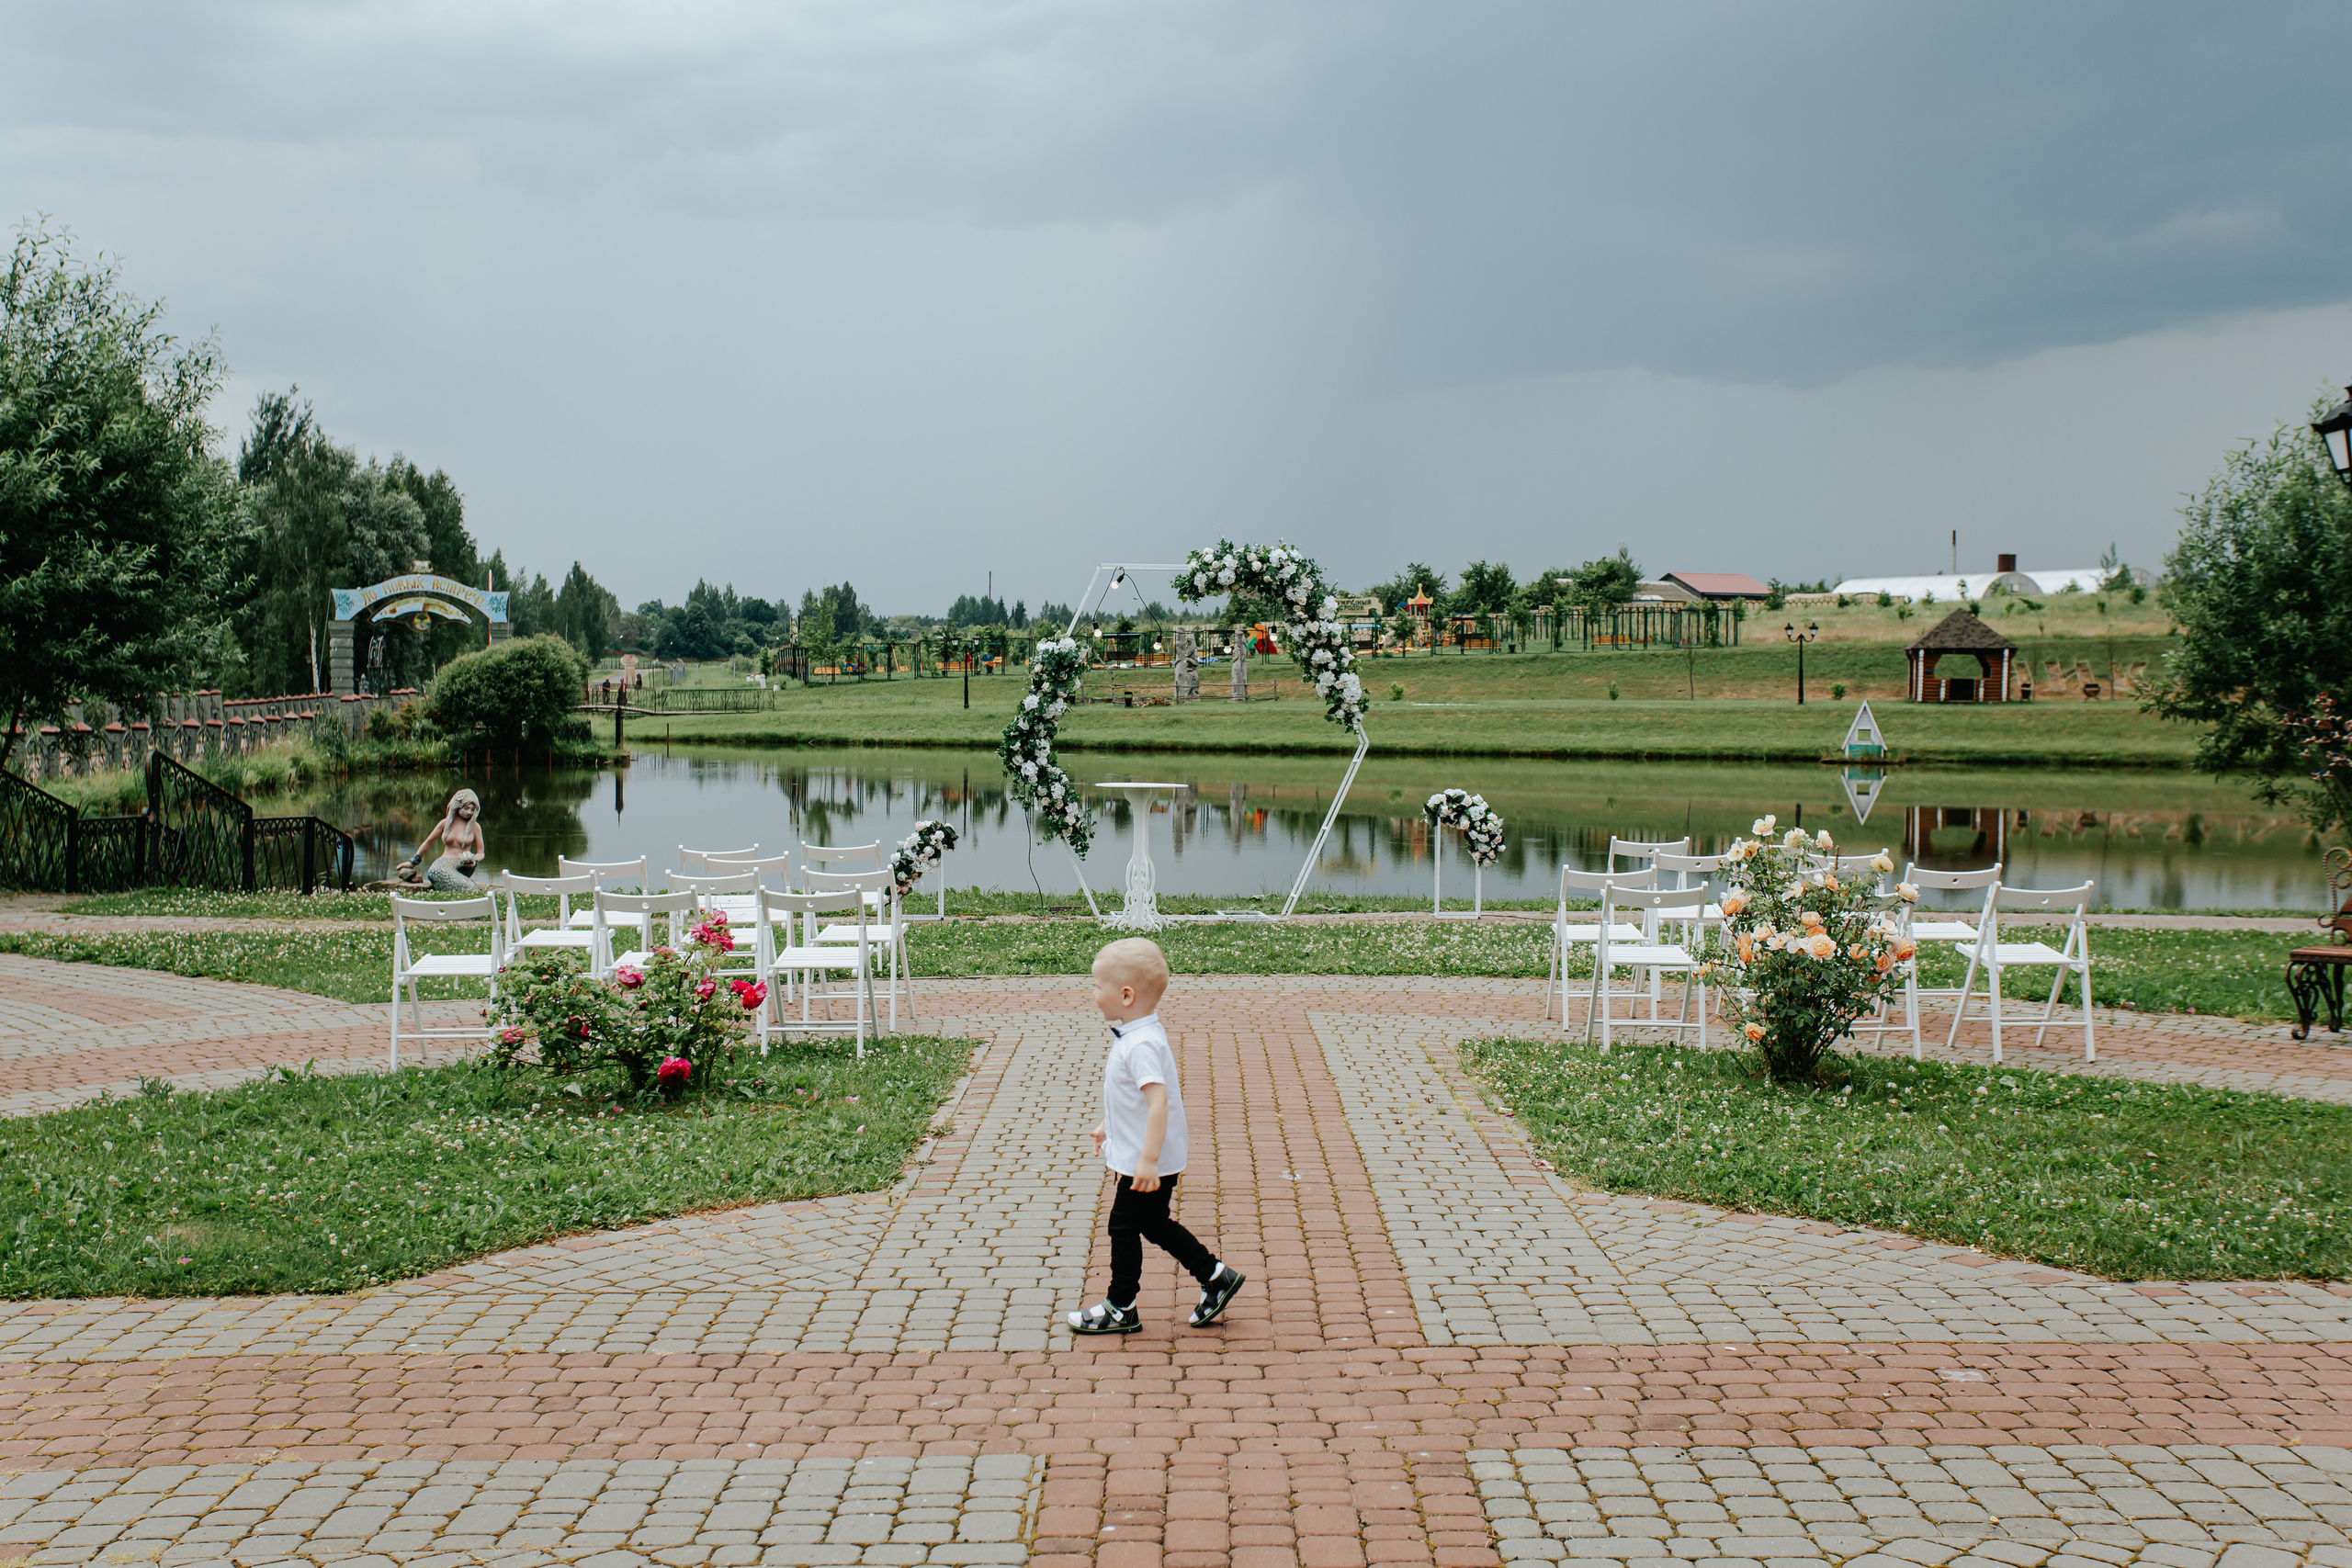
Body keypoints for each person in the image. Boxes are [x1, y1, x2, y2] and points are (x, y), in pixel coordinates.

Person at [1063, 937, 1245, 1336]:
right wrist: (1108, 1124)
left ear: (1126, 995)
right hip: (1147, 1154)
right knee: (1152, 1224)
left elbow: (1157, 1103)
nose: (1094, 994)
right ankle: (1214, 1276)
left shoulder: (1141, 1043)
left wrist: (1147, 1160)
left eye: (1097, 986)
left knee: (1124, 1228)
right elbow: (1131, 1099)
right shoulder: (1137, 1034)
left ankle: (1121, 1306)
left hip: (1148, 1160)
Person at [397, 787, 490, 892]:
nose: (469, 812)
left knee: (449, 877)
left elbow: (481, 853)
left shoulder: (475, 827)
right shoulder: (444, 824)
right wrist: (413, 862)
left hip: (465, 865)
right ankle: (469, 891)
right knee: (435, 870)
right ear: (457, 806)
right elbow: (428, 842)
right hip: (443, 862)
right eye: (466, 808)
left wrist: (474, 860)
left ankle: (473, 891)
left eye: (473, 809)